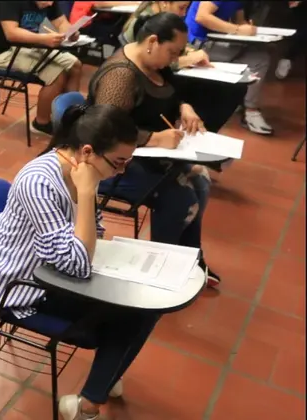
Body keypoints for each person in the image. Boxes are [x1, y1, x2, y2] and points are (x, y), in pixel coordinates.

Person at [0, 104, 160, 420]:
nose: (121, 171)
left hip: (56, 271)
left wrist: (87, 196)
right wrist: (85, 193)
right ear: (87, 151)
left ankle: (104, 376)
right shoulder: (40, 181)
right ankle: (88, 404)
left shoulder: (81, 169)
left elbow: (93, 232)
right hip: (28, 289)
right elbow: (77, 265)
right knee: (132, 313)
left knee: (147, 301)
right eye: (118, 162)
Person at [88, 12, 220, 287]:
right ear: (152, 41)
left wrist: (184, 106)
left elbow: (175, 91)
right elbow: (105, 129)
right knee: (180, 198)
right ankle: (161, 268)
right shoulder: (121, 75)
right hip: (110, 163)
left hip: (148, 156)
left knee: (201, 180)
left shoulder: (157, 65)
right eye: (172, 52)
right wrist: (153, 139)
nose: (175, 59)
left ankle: (190, 258)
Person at [121, 1, 247, 134]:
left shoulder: (168, 22)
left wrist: (191, 52)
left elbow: (183, 45)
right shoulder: (144, 24)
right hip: (154, 81)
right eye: (181, 8)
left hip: (167, 75)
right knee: (218, 90)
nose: (184, 13)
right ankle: (199, 131)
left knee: (232, 88)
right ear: (164, 3)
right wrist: (186, 60)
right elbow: (152, 63)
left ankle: (199, 131)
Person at [0, 1, 84, 135]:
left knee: (75, 65)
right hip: (4, 53)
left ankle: (70, 117)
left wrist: (70, 32)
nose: (50, 4)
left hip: (31, 47)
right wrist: (43, 39)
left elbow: (61, 23)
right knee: (58, 72)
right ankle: (41, 123)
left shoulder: (49, 2)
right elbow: (11, 33)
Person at [185, 1, 274, 135]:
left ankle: (243, 104)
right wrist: (237, 30)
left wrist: (245, 27)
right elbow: (202, 16)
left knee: (258, 56)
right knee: (258, 58)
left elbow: (239, 20)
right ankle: (250, 111)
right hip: (198, 43)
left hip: (218, 40)